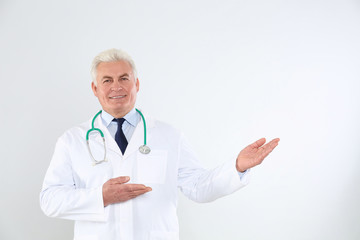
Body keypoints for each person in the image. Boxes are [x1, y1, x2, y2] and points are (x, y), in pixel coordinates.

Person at [40, 48, 280, 240]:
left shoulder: (168, 135)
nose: (116, 86)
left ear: (137, 84)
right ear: (95, 88)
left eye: (124, 78)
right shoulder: (72, 140)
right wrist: (100, 197)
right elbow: (50, 200)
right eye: (107, 80)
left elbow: (198, 187)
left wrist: (237, 166)